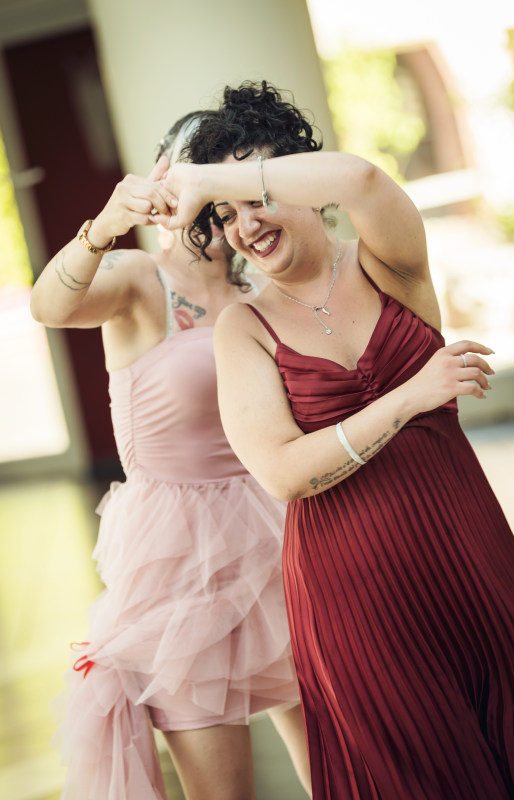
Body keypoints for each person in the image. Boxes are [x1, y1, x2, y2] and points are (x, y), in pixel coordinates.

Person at [158, 81, 514, 799]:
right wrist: (410, 396)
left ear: (302, 179)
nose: (244, 225)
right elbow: (281, 471)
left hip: (470, 551)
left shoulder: (388, 260)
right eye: (224, 216)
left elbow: (362, 179)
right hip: (355, 594)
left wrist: (207, 179)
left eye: (256, 194)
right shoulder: (243, 327)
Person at [30, 111, 312, 800]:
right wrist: (103, 225)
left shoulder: (257, 289)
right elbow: (48, 307)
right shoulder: (137, 277)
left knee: (333, 768)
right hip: (180, 557)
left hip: (276, 531)